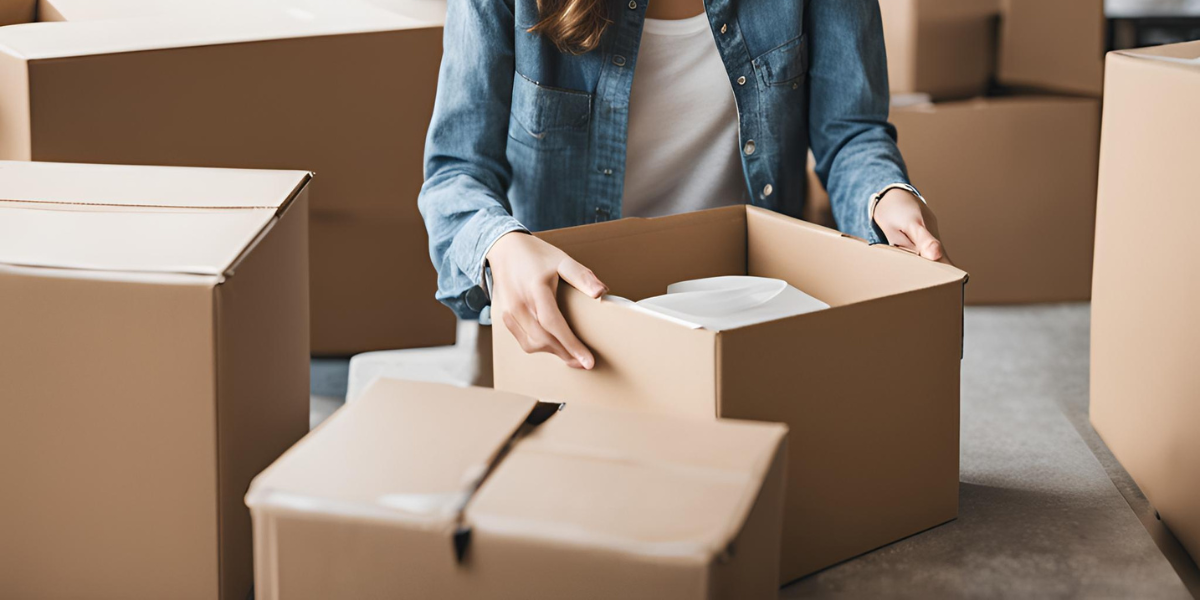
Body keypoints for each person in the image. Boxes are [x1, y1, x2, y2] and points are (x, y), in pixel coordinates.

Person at [419, 0, 948, 371]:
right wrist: (500, 246)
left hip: (749, 316)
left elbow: (850, 131)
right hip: (566, 333)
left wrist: (885, 196)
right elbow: (455, 173)